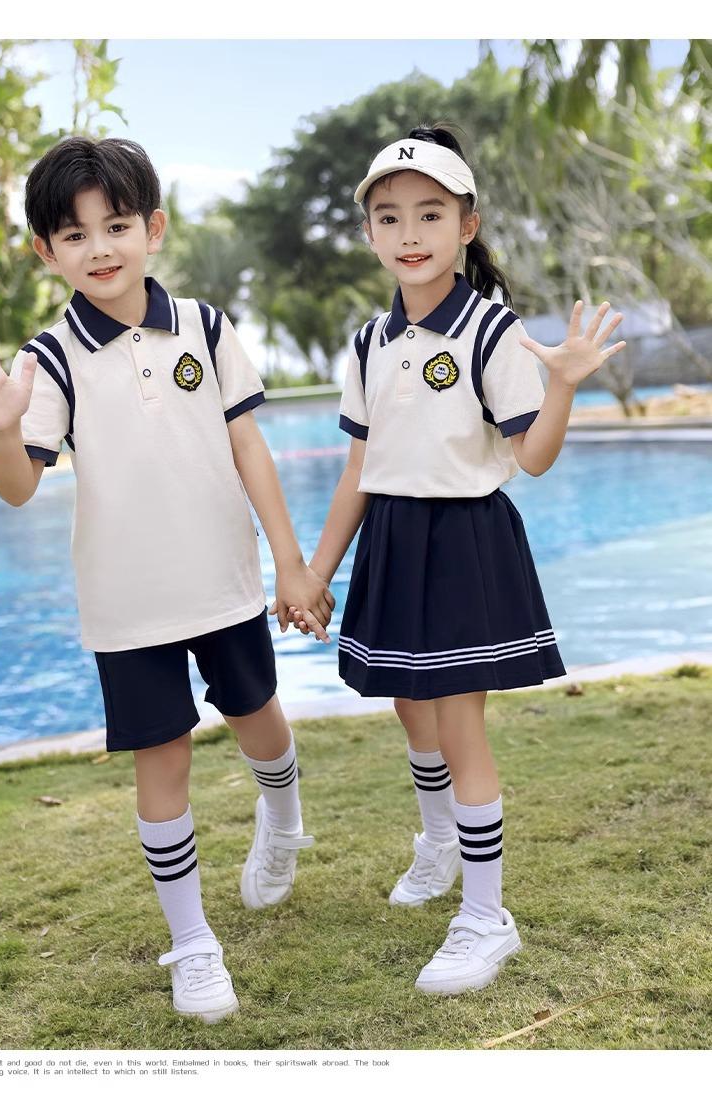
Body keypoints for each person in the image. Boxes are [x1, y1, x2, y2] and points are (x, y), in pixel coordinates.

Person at [0, 136, 335, 1024]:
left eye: (116, 225)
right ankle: (193, 944)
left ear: (153, 228)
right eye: (74, 235)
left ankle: (283, 819)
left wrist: (291, 562)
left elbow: (248, 448)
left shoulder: (207, 328)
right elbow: (18, 487)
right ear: (46, 252)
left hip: (224, 582)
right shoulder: (48, 360)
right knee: (164, 757)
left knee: (258, 717)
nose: (100, 248)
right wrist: (1, 428)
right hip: (127, 603)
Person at [281, 124, 625, 996]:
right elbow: (358, 471)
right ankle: (437, 841)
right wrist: (317, 571)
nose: (410, 233)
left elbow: (533, 457)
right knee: (412, 706)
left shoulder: (491, 331)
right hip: (394, 539)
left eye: (430, 214)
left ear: (467, 225)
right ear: (369, 232)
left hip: (466, 540)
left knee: (460, 724)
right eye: (390, 216)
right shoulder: (368, 342)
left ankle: (486, 917)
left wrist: (563, 384)